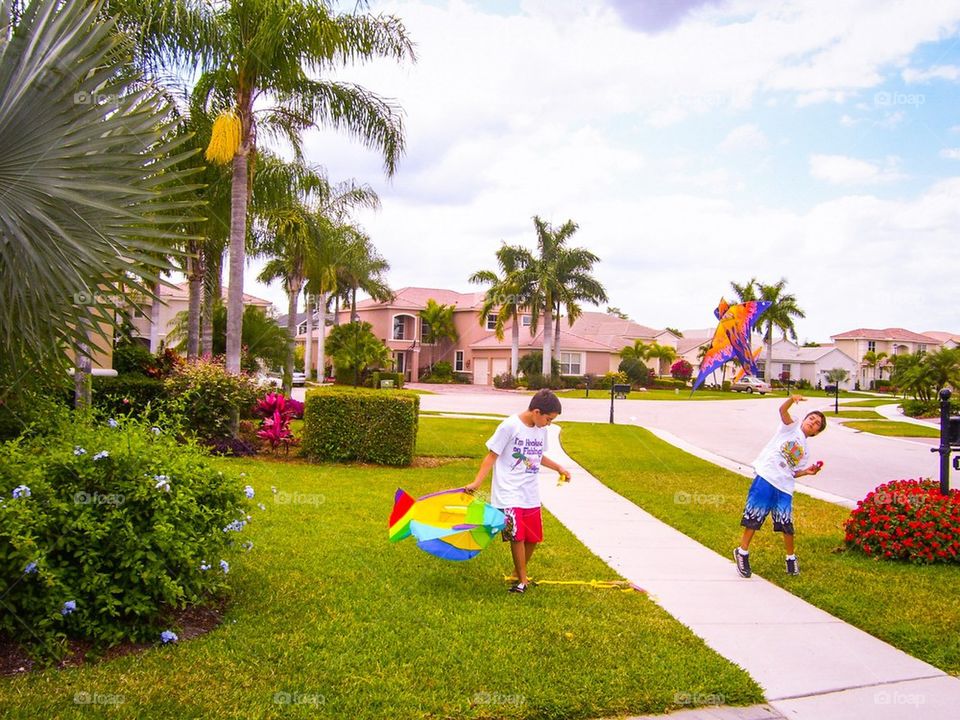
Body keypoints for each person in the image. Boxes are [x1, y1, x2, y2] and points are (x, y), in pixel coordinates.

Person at [465, 389, 571, 594]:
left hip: (529, 492)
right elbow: (491, 456)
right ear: (537, 411)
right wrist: (477, 482)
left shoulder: (541, 430)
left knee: (533, 537)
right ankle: (522, 581)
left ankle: (517, 572)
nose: (549, 424)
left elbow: (538, 456)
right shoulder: (509, 426)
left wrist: (559, 467)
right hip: (508, 492)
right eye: (548, 419)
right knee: (517, 536)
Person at [734, 394, 826, 578]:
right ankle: (742, 552)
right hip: (767, 477)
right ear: (805, 419)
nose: (813, 422)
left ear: (816, 432)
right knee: (754, 517)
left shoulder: (805, 452)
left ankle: (790, 559)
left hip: (784, 487)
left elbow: (793, 471)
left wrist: (807, 471)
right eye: (811, 418)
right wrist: (792, 400)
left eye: (816, 424)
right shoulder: (790, 428)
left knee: (786, 524)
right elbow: (782, 411)